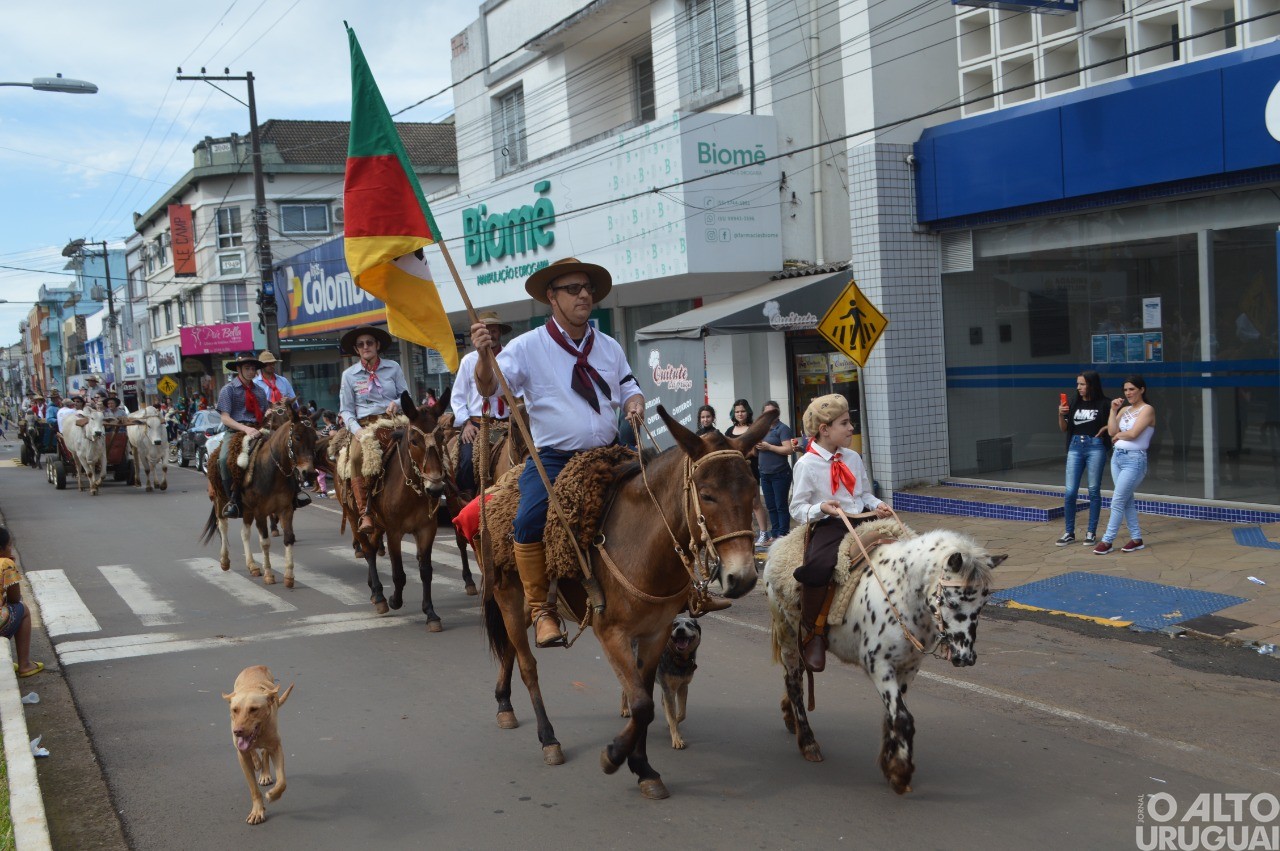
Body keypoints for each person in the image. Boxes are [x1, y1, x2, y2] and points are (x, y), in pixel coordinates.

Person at [471, 257, 646, 648]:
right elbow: (488, 388)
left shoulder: (609, 346)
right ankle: (541, 610)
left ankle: (684, 588)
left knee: (659, 494)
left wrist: (635, 403)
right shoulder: (527, 346)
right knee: (528, 520)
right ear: (552, 297)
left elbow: (629, 385)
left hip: (610, 453)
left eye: (587, 288)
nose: (584, 295)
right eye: (573, 289)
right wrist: (483, 356)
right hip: (554, 458)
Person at [789, 393, 892, 673]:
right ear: (825, 429)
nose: (851, 428)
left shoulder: (853, 457)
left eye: (850, 422)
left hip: (863, 518)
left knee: (906, 548)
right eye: (844, 423)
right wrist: (821, 507)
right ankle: (814, 632)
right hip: (831, 523)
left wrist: (878, 505)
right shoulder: (806, 464)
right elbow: (797, 508)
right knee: (819, 567)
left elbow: (865, 494)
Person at [338, 325, 409, 538]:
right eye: (361, 344)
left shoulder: (393, 367)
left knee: (422, 446)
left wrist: (397, 403)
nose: (365, 347)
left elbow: (406, 395)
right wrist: (357, 431)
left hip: (392, 422)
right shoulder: (349, 375)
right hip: (365, 427)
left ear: (377, 345)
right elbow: (345, 410)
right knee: (356, 457)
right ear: (356, 350)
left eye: (369, 342)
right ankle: (365, 512)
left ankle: (434, 495)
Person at [452, 310, 513, 497]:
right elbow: (457, 397)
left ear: (499, 332)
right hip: (479, 424)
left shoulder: (511, 356)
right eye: (486, 331)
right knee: (467, 461)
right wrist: (466, 423)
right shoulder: (468, 361)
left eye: (494, 331)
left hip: (509, 423)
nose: (490, 335)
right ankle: (467, 497)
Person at [1094, 375, 1156, 555]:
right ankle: (1136, 539)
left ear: (1142, 389)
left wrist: (1119, 435)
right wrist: (1113, 411)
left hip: (1134, 460)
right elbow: (1112, 431)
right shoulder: (1124, 409)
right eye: (1126, 390)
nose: (1128, 393)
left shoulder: (1147, 409)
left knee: (1118, 501)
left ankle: (1107, 540)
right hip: (1117, 458)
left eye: (1132, 389)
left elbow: (1134, 434)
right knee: (1126, 500)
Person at [1055, 371, 1110, 547]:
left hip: (1095, 446)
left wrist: (1106, 428)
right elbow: (1064, 428)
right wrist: (1060, 414)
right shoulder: (1073, 402)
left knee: (1093, 490)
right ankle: (1069, 532)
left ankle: (1091, 532)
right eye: (1078, 384)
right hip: (1075, 446)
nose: (1078, 387)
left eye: (1082, 384)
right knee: (1070, 491)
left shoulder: (1104, 403)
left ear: (1092, 385)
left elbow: (1114, 425)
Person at [216, 354, 271, 519]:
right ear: (238, 369)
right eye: (247, 368)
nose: (251, 371)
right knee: (224, 459)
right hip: (236, 430)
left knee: (283, 448)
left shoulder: (260, 391)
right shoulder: (228, 390)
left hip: (259, 429)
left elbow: (264, 412)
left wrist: (271, 413)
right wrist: (245, 429)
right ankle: (233, 501)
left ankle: (293, 492)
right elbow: (225, 418)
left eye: (253, 368)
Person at [724, 399, 770, 545]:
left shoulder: (753, 429)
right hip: (733, 472)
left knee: (755, 503)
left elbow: (754, 452)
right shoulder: (729, 431)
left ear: (748, 412)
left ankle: (764, 533)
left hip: (750, 470)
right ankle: (746, 533)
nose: (740, 414)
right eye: (737, 412)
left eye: (742, 411)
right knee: (738, 504)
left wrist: (738, 453)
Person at [0, 527, 44, 678]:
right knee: (22, 609)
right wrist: (12, 568)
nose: (11, 549)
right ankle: (24, 664)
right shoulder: (5, 563)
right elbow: (14, 598)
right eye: (9, 545)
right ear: (1, 549)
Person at [756, 400, 796, 543]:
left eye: (772, 412)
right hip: (764, 473)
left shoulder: (782, 428)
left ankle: (783, 534)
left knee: (781, 505)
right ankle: (774, 533)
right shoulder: (762, 429)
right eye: (767, 412)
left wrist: (769, 447)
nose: (770, 415)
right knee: (771, 506)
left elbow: (789, 449)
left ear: (777, 413)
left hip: (780, 473)